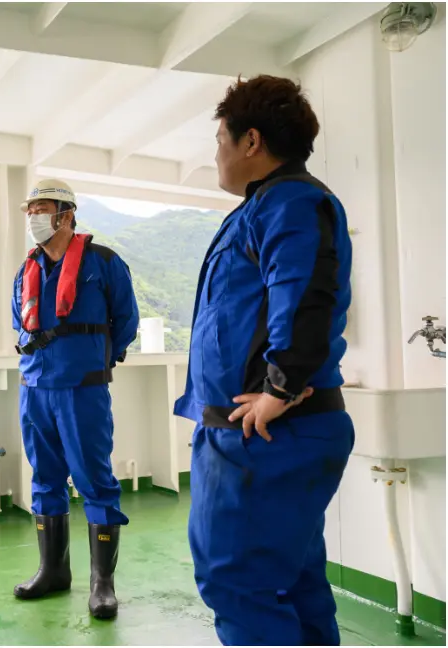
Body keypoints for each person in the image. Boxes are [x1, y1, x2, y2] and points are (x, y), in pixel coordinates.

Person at [174, 75, 354, 645]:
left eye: (220, 141)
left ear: (250, 141)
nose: (217, 156)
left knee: (239, 584)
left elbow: (307, 293)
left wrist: (280, 387)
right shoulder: (262, 207)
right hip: (263, 433)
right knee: (294, 583)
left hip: (268, 436)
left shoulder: (291, 201)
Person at [11, 178, 140, 619]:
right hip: (35, 391)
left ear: (66, 214)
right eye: (29, 211)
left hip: (82, 389)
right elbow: (20, 323)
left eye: (41, 209)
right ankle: (53, 570)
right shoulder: (25, 270)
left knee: (94, 480)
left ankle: (102, 583)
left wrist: (96, 360)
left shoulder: (103, 263)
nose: (34, 219)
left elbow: (126, 320)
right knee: (44, 479)